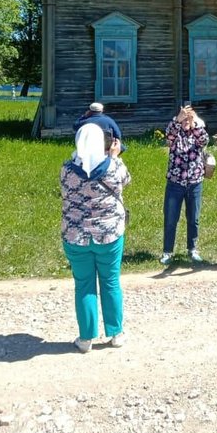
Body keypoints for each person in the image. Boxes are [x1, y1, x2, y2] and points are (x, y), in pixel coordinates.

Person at [60, 122, 132, 352]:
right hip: (109, 234)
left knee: (84, 285)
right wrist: (115, 156)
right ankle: (116, 333)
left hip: (75, 235)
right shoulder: (114, 167)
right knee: (110, 282)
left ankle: (85, 338)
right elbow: (126, 181)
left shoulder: (67, 169)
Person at [160, 104, 209, 265]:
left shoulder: (197, 132)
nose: (186, 122)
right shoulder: (175, 134)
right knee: (171, 218)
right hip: (175, 183)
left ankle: (192, 249)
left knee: (193, 218)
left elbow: (204, 140)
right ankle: (167, 251)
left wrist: (194, 123)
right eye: (184, 119)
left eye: (189, 118)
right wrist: (178, 119)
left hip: (194, 182)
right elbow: (168, 136)